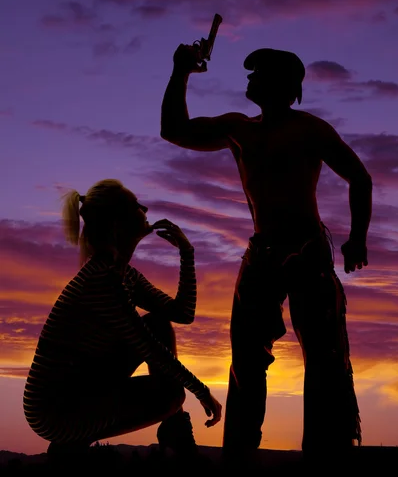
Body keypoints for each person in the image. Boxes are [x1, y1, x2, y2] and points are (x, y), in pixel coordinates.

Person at [160, 45, 372, 466]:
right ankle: (238, 456)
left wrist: (358, 238)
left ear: (282, 84)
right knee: (245, 362)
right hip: (261, 255)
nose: (249, 80)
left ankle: (325, 455)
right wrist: (180, 71)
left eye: (257, 75)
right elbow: (175, 130)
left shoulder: (310, 129)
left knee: (326, 358)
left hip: (308, 253)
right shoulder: (240, 129)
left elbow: (359, 177)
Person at [23, 178, 222, 464]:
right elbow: (148, 347)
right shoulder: (103, 279)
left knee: (158, 323)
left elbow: (182, 314)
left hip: (84, 385)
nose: (145, 208)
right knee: (171, 395)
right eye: (136, 206)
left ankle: (174, 429)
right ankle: (72, 443)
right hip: (56, 409)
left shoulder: (124, 274)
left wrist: (186, 254)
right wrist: (202, 392)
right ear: (118, 223)